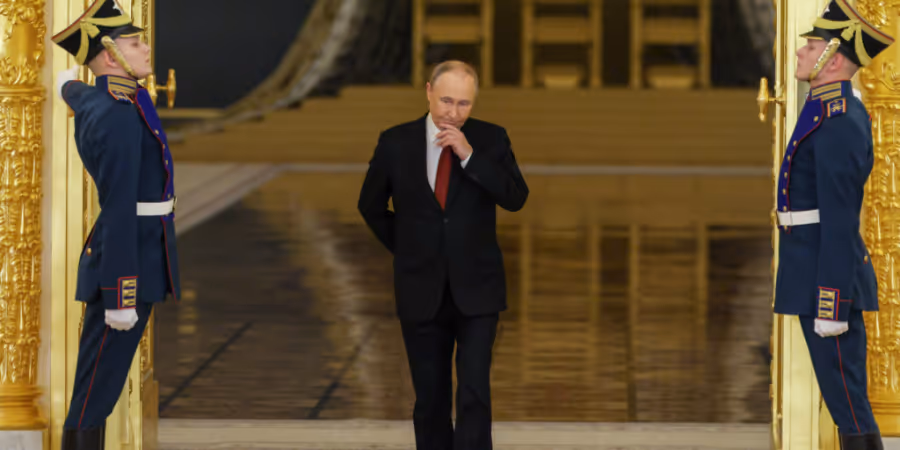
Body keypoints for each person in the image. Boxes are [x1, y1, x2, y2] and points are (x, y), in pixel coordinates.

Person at [358, 60, 528, 449]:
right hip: (420, 287)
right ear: (428, 92)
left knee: (474, 392)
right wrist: (409, 249)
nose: (453, 112)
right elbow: (370, 205)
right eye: (446, 100)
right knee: (430, 397)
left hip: (479, 289)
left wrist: (470, 156)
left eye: (464, 104)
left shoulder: (491, 139)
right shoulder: (395, 142)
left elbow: (516, 197)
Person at [52, 0, 181, 448]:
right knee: (96, 393)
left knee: (98, 385)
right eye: (134, 43)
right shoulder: (118, 115)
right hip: (128, 263)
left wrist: (68, 85)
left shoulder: (108, 99)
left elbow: (77, 92)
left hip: (139, 252)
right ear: (110, 56)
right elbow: (121, 206)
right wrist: (121, 294)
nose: (146, 49)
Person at [774, 1, 894, 448]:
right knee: (842, 397)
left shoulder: (839, 119)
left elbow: (840, 219)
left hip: (826, 277)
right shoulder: (824, 109)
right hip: (811, 267)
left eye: (810, 46)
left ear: (834, 59)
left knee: (847, 401)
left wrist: (832, 302)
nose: (800, 52)